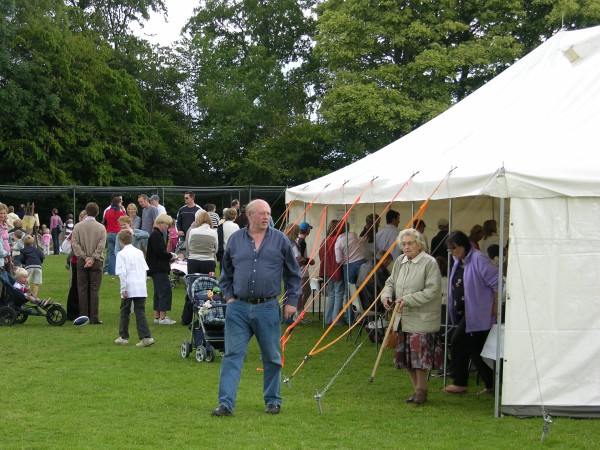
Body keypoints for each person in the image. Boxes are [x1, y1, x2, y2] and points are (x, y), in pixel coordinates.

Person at [211, 199, 301, 417]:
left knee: (271, 356)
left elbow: (293, 274)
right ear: (249, 215)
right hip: (238, 308)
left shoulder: (280, 240)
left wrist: (291, 301)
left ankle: (273, 401)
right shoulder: (235, 240)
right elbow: (226, 274)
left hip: (268, 307)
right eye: (262, 213)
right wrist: (230, 297)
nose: (266, 217)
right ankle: (225, 404)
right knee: (232, 355)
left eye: (268, 214)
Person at [381, 229, 442, 404]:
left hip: (422, 318)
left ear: (419, 244)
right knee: (408, 357)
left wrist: (407, 299)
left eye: (410, 243)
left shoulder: (429, 263)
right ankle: (417, 391)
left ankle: (421, 391)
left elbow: (432, 290)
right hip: (403, 317)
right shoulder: (400, 261)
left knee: (419, 358)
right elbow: (390, 282)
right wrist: (386, 295)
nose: (406, 247)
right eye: (403, 244)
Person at [443, 230, 498, 396]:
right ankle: (492, 384)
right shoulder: (457, 260)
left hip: (477, 311)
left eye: (455, 249)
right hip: (463, 309)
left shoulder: (479, 259)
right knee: (475, 350)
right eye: (450, 250)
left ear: (464, 246)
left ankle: (460, 382)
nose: (453, 252)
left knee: (458, 341)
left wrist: (495, 304)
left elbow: (496, 281)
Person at [114, 229, 154, 347]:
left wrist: (123, 288)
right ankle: (146, 337)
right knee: (140, 311)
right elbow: (144, 269)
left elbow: (122, 272)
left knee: (124, 311)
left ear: (121, 241)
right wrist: (143, 284)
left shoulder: (121, 254)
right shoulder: (139, 252)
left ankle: (124, 336)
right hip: (140, 286)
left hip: (129, 286)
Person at [71, 202, 107, 324]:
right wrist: (93, 258)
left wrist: (84, 257)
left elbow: (74, 244)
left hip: (81, 261)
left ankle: (83, 315)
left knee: (82, 289)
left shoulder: (78, 226)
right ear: (97, 213)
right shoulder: (101, 227)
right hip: (96, 262)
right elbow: (101, 245)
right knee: (94, 289)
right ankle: (94, 317)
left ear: (86, 212)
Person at [146, 214, 177, 325]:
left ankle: (157, 316)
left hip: (155, 267)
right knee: (164, 291)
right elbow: (159, 252)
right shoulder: (156, 235)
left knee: (158, 292)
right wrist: (171, 256)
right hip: (159, 267)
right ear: (160, 223)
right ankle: (163, 317)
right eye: (166, 225)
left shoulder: (155, 234)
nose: (167, 227)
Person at [335, 222, 365, 324]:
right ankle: (363, 318)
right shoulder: (353, 235)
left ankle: (350, 320)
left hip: (349, 266)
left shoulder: (338, 243)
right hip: (361, 263)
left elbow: (338, 260)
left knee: (349, 294)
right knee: (362, 291)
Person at [319, 220, 344, 325]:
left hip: (326, 271)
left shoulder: (324, 240)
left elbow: (321, 256)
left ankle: (328, 318)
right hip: (336, 270)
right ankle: (336, 320)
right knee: (338, 294)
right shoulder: (337, 240)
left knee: (331, 295)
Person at [65, 210, 86, 320]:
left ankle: (81, 310)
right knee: (75, 286)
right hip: (76, 261)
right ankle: (72, 312)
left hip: (82, 260)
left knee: (81, 287)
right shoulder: (76, 230)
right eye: (83, 217)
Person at [186, 211, 218, 275]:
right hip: (209, 261)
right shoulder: (214, 233)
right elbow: (216, 249)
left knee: (193, 283)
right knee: (208, 283)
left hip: (193, 260)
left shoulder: (193, 231)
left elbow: (188, 246)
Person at [103, 195, 126, 275]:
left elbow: (105, 220)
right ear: (118, 203)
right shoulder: (120, 212)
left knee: (111, 253)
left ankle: (111, 271)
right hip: (117, 233)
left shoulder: (107, 212)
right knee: (118, 253)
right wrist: (122, 208)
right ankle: (118, 270)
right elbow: (125, 218)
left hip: (109, 234)